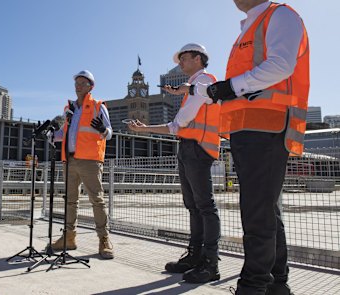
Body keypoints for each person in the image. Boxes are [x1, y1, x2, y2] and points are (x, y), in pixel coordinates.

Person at [173, 1, 309, 294]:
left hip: (268, 125)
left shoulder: (280, 15)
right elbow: (239, 86)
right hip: (247, 128)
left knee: (257, 210)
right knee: (266, 209)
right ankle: (276, 284)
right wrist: (218, 90)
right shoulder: (249, 27)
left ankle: (253, 286)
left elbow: (281, 65)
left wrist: (229, 87)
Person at [128, 43, 221, 284]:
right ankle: (195, 256)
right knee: (193, 206)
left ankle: (210, 263)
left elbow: (189, 111)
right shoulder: (193, 88)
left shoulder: (205, 81)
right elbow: (175, 126)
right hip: (187, 148)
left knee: (205, 206)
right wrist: (146, 128)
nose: (180, 64)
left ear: (198, 59)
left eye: (184, 59)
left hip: (199, 148)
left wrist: (185, 90)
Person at [51, 70, 115, 259]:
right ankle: (69, 237)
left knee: (97, 200)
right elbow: (63, 133)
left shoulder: (97, 106)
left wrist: (104, 129)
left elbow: (109, 131)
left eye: (82, 83)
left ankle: (104, 239)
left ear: (90, 86)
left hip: (90, 161)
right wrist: (50, 134)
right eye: (76, 83)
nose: (78, 86)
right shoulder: (68, 109)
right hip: (70, 160)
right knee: (70, 201)